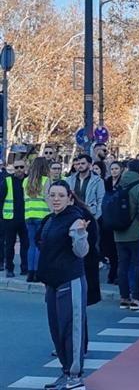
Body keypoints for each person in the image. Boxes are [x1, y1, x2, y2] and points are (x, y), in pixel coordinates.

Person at [36, 180, 90, 390]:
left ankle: (75, 377)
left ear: (69, 197)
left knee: (72, 329)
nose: (56, 199)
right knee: (57, 329)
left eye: (60, 195)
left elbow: (81, 252)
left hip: (71, 280)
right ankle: (66, 371)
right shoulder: (49, 220)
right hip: (52, 283)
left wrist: (79, 234)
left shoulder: (75, 219)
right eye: (53, 195)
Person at [114, 159, 139, 312]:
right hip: (135, 230)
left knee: (122, 264)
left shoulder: (119, 184)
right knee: (136, 264)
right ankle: (136, 297)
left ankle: (123, 298)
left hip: (118, 230)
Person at [23, 157, 50, 282]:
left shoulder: (26, 181)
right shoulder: (45, 181)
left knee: (31, 245)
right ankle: (38, 273)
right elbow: (48, 199)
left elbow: (24, 199)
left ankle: (30, 272)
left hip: (29, 215)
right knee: (40, 245)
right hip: (43, 216)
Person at [2, 158, 28, 277]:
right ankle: (9, 268)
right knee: (10, 245)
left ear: (25, 167)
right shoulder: (7, 180)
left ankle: (25, 268)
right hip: (10, 218)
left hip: (25, 218)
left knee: (25, 245)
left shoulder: (29, 180)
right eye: (16, 167)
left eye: (21, 167)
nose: (19, 170)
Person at [66, 154, 105, 221]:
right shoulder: (69, 180)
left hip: (90, 215)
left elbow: (101, 200)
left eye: (83, 163)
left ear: (89, 165)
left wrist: (95, 218)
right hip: (72, 215)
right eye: (78, 164)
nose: (80, 166)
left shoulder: (98, 181)